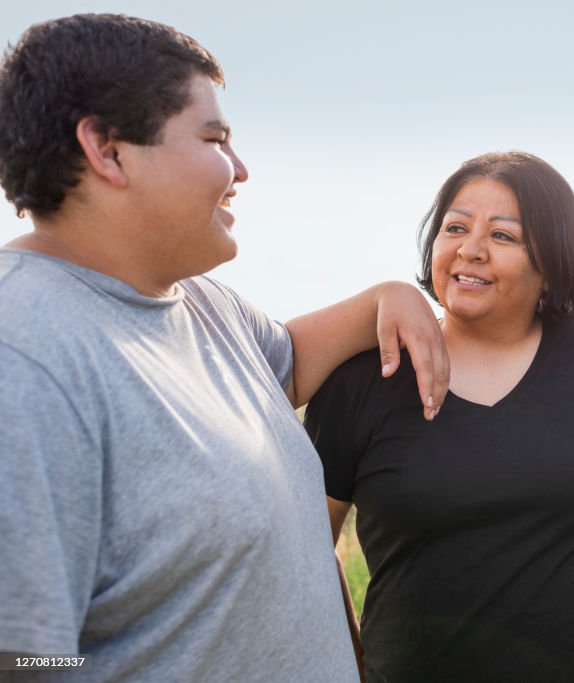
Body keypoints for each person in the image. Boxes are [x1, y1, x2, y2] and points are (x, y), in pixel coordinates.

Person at [0, 14, 448, 682]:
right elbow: (23, 658)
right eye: (215, 138)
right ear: (107, 149)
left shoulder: (205, 305)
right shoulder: (26, 358)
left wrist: (388, 295)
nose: (240, 169)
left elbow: (288, 359)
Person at [304, 151, 574, 683]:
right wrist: (353, 668)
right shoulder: (367, 378)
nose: (470, 249)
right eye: (455, 227)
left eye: (503, 236)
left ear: (549, 261)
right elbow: (310, 547)